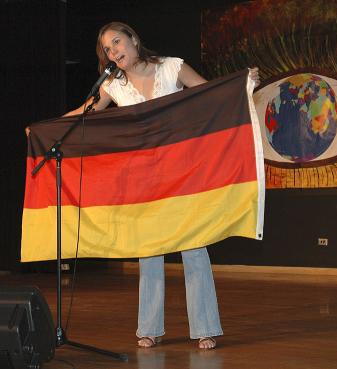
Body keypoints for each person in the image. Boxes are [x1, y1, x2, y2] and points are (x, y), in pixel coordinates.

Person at [64, 22, 260, 349]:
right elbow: (85, 113)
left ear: (134, 40)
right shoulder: (113, 85)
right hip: (144, 179)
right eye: (107, 49)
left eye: (117, 42)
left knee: (194, 248)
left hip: (183, 174)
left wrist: (242, 85)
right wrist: (51, 129)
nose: (113, 52)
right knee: (149, 252)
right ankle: (149, 328)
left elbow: (212, 95)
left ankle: (205, 327)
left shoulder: (172, 67)